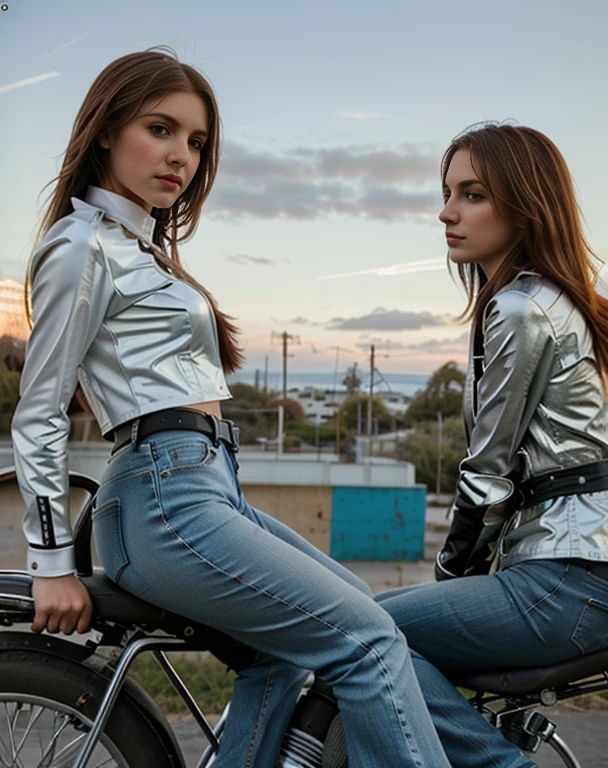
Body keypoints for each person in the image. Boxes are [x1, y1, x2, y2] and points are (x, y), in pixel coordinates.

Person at [10, 48, 452, 768]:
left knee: (310, 647)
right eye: (161, 129)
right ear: (103, 131)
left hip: (209, 487)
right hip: (164, 498)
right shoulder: (80, 245)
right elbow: (40, 410)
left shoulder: (142, 249)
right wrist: (51, 559)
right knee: (367, 642)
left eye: (196, 142)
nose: (180, 155)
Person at [376, 122, 608, 768]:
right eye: (446, 193)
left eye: (471, 195)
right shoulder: (563, 303)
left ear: (526, 203)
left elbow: (486, 478)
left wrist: (450, 576)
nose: (446, 213)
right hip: (578, 575)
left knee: (362, 632)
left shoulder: (521, 308)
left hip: (568, 580)